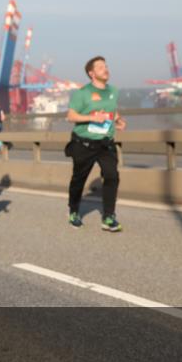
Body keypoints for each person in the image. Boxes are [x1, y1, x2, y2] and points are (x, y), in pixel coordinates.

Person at [65, 56, 126, 231]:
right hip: (84, 144)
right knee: (79, 179)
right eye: (100, 67)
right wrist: (92, 117)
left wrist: (119, 120)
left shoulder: (113, 90)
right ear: (91, 73)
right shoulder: (82, 93)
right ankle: (74, 210)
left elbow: (111, 111)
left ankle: (108, 217)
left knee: (112, 176)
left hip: (106, 144)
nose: (105, 69)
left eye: (106, 66)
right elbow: (71, 116)